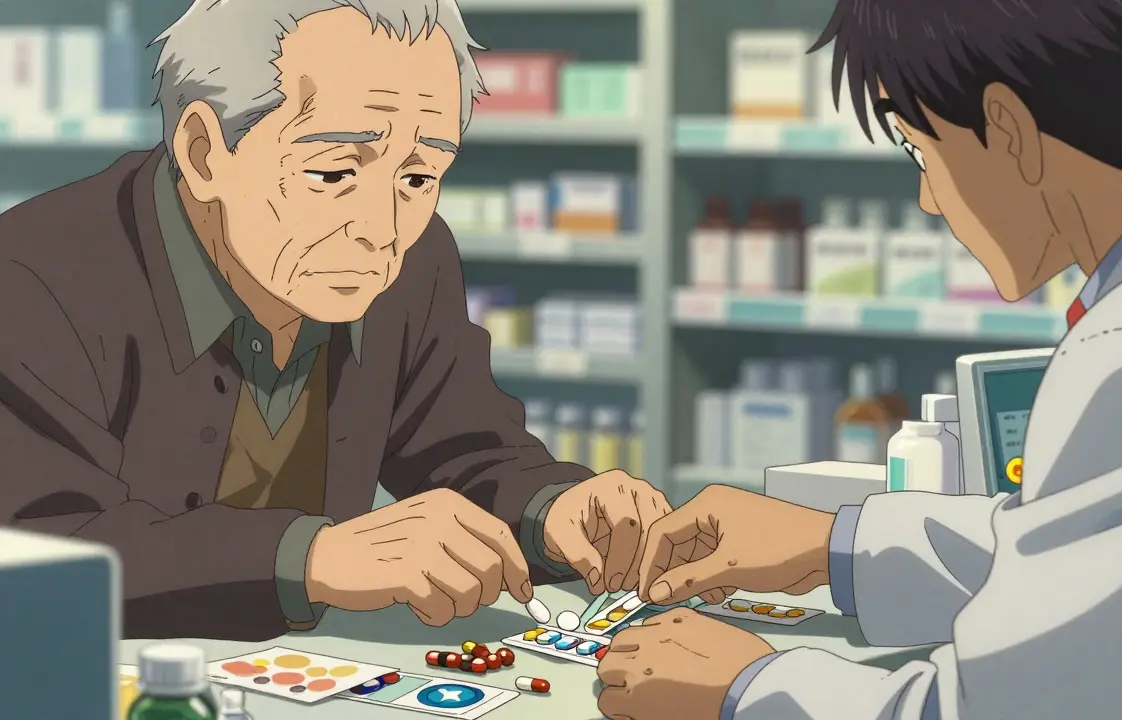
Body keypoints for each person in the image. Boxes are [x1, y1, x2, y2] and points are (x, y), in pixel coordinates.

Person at [597, 0, 1122, 718]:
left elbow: (1002, 708)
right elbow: (1095, 556)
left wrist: (748, 687)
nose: (927, 198)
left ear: (1009, 129)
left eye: (919, 148)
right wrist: (831, 542)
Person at [0, 0, 673, 641]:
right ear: (205, 152)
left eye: (417, 177)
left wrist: (550, 509)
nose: (381, 230)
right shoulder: (36, 276)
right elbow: (43, 547)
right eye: (331, 173)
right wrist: (315, 559)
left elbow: (461, 447)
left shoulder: (418, 257)